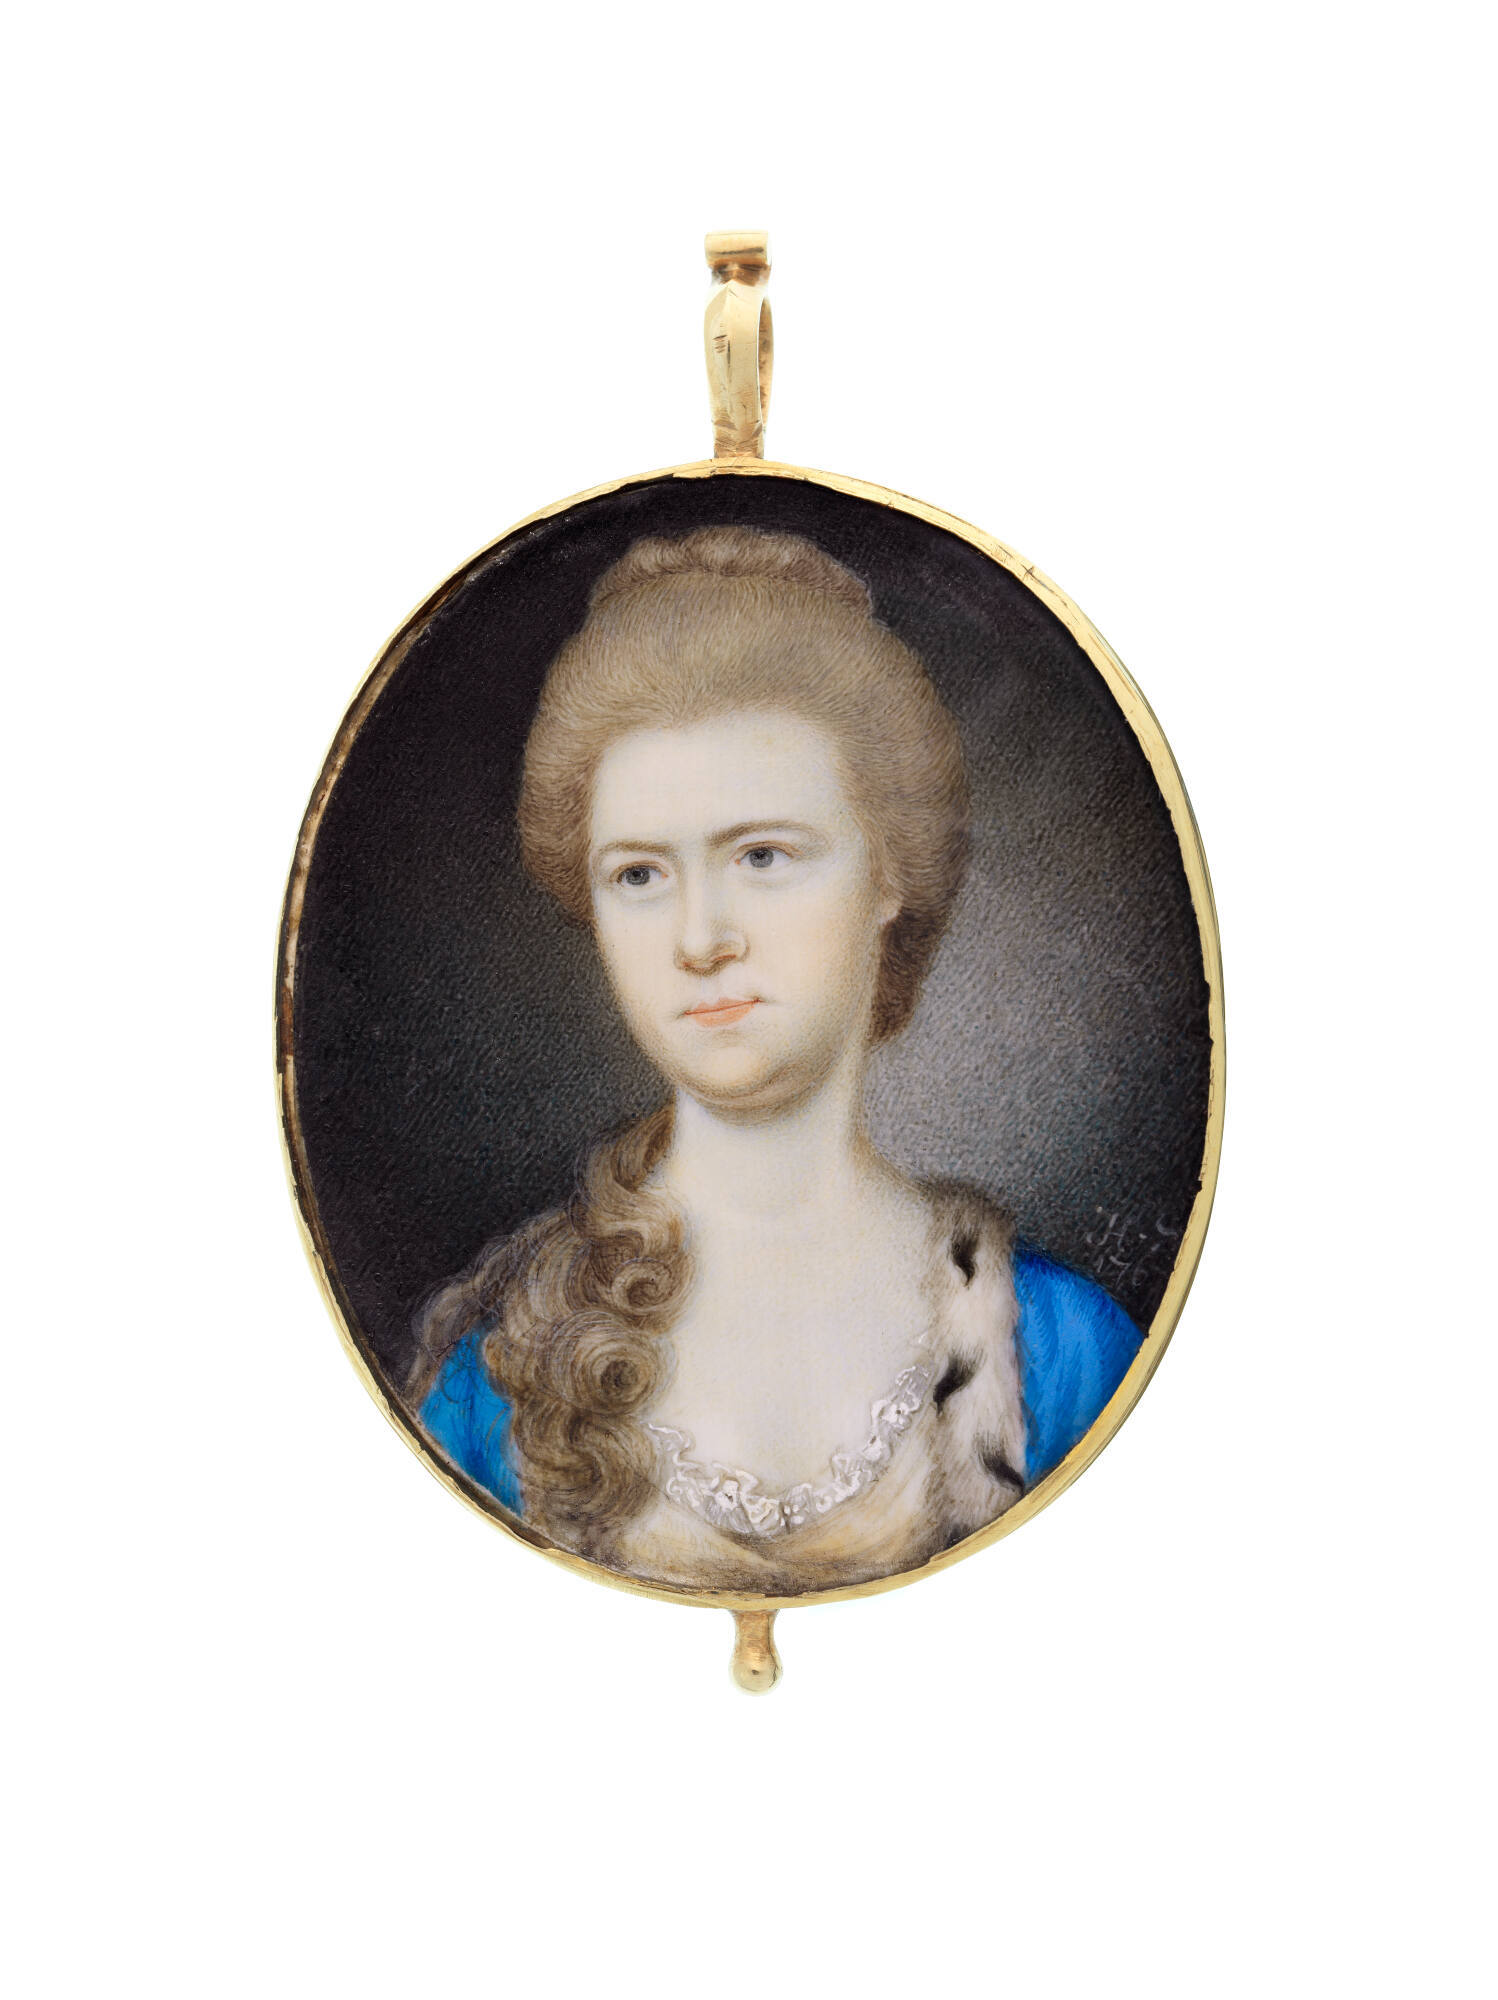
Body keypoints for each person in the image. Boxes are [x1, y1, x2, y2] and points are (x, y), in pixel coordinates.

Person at [409, 526, 1141, 1594]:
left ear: (888, 872)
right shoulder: (499, 1382)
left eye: (761, 855)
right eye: (639, 874)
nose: (700, 937)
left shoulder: (1063, 1354)